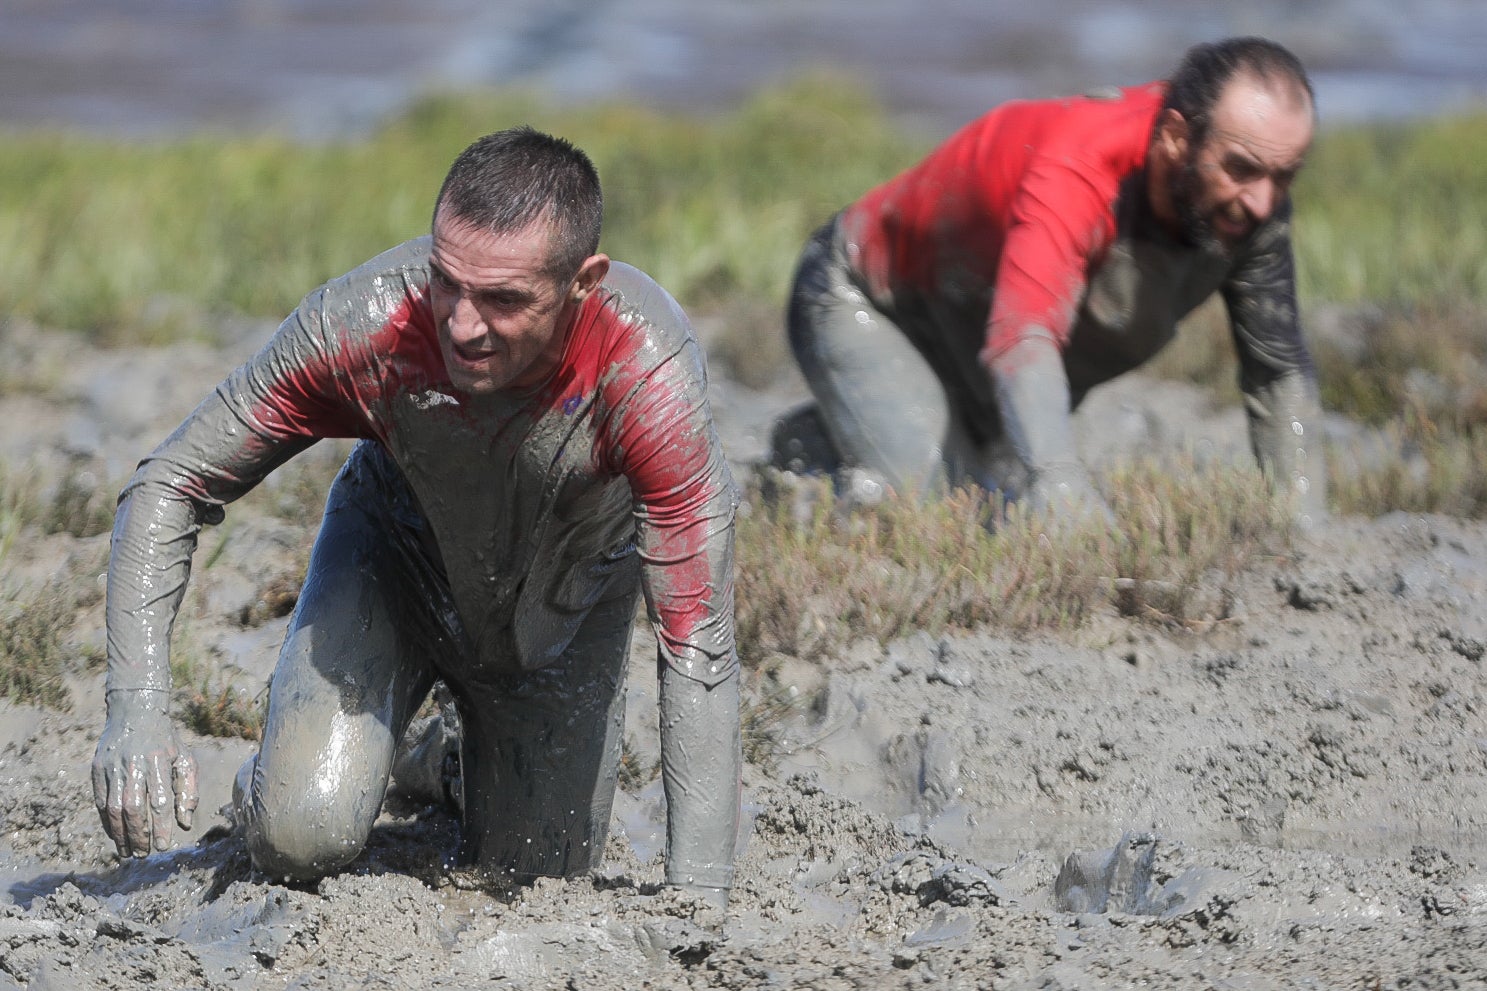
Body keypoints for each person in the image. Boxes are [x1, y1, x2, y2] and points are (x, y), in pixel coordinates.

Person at [90, 127, 741, 909]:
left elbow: (698, 642)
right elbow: (170, 481)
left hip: (563, 607)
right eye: (445, 282)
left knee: (536, 873)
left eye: (503, 300)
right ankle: (296, 763)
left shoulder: (646, 376)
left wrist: (699, 900)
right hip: (395, 560)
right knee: (303, 832)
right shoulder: (366, 325)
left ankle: (435, 761)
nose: (462, 325)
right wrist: (136, 708)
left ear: (584, 282)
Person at [772, 36, 1327, 526]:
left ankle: (876, 432)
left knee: (997, 500)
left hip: (971, 331)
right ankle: (815, 449)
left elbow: (1277, 370)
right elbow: (1022, 339)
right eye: (1241, 169)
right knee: (952, 516)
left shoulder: (1251, 206)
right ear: (1177, 138)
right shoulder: (1079, 165)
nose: (1263, 202)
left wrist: (1302, 532)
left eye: (1285, 176)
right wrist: (1063, 487)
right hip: (861, 297)